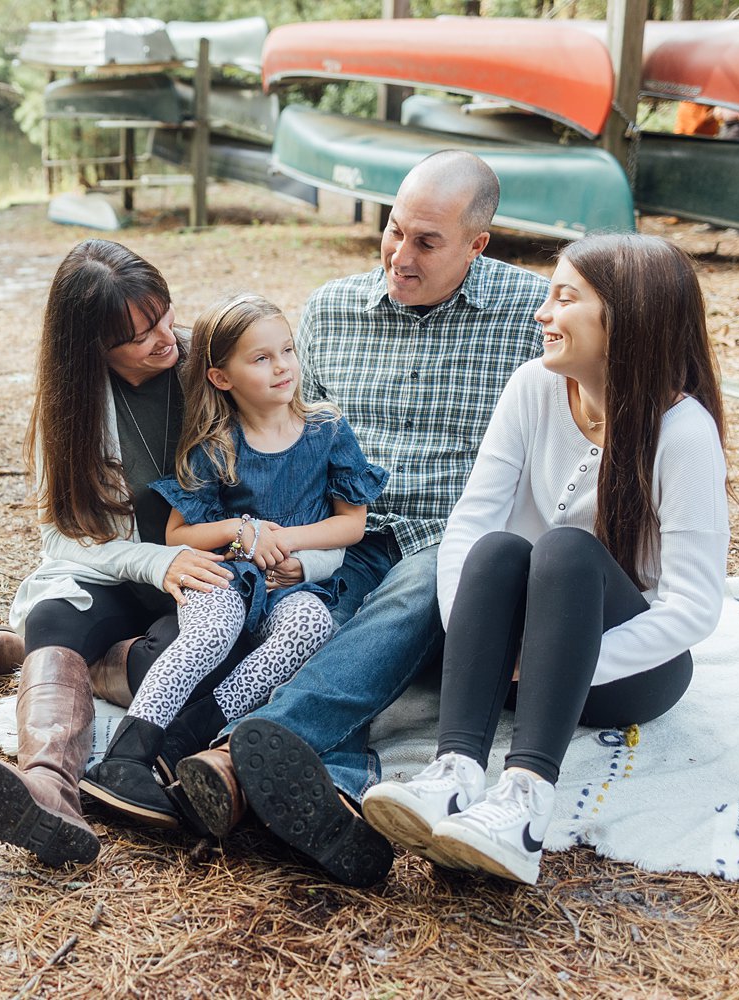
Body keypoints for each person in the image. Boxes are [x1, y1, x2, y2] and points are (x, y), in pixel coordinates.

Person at [173, 150, 550, 888]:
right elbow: (292, 433)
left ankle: (244, 752)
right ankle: (335, 788)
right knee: (309, 616)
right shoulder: (331, 310)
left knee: (416, 591)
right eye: (393, 229)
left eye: (427, 243)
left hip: (455, 534)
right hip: (341, 531)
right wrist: (276, 538)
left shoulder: (532, 318)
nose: (399, 256)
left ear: (479, 245)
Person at [360, 233, 729, 885]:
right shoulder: (533, 388)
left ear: (624, 318)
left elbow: (695, 607)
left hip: (627, 671)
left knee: (563, 550)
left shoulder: (683, 432)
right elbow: (470, 523)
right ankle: (454, 774)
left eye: (564, 298)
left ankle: (524, 804)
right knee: (500, 547)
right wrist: (477, 638)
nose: (541, 313)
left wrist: (556, 662)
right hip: (518, 668)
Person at [0, 239, 238, 866]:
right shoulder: (72, 403)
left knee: (198, 661)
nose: (167, 339)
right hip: (124, 570)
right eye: (140, 336)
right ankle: (49, 787)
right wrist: (155, 562)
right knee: (58, 610)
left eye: (164, 315)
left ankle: (37, 654)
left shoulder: (211, 366)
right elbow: (62, 536)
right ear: (92, 350)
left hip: (201, 573)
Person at [80, 293, 386, 828]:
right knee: (212, 628)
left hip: (292, 585)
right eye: (261, 358)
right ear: (222, 378)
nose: (283, 366)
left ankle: (183, 743)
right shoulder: (215, 445)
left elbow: (351, 524)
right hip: (228, 572)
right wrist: (244, 531)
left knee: (311, 626)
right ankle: (125, 757)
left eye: (287, 350)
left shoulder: (326, 430)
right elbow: (181, 532)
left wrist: (286, 542)